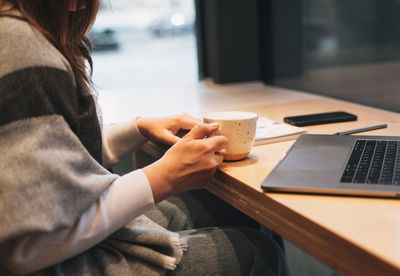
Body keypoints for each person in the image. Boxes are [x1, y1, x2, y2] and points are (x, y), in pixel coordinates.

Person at [0, 0, 289, 275]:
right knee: (256, 251)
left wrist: (135, 129)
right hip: (56, 264)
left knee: (239, 212)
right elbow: (28, 249)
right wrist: (163, 177)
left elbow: (53, 159)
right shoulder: (20, 45)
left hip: (67, 240)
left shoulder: (24, 33)